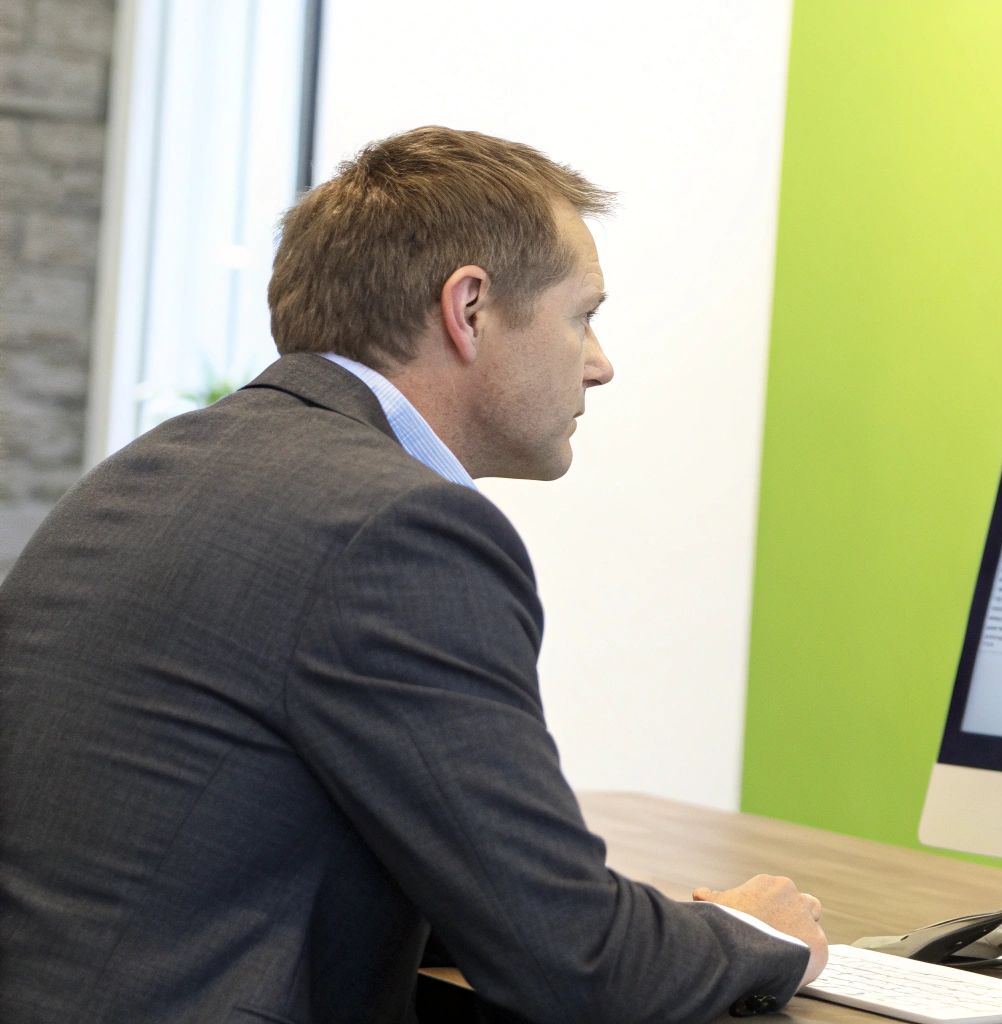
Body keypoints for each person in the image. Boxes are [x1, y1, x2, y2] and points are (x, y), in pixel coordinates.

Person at [0, 126, 827, 1023]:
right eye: (582, 314)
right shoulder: (397, 528)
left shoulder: (151, 471)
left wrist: (620, 918)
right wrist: (758, 936)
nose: (601, 363)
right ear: (468, 310)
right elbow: (580, 968)